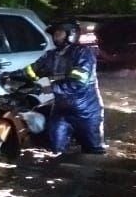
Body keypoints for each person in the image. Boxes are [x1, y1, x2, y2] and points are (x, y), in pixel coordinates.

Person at [21, 20, 106, 154]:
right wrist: (12, 76)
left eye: (59, 33)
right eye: (54, 34)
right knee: (56, 152)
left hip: (86, 112)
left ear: (71, 34)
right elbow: (32, 71)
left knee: (93, 152)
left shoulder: (84, 53)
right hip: (61, 110)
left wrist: (49, 88)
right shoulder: (51, 55)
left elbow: (77, 83)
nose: (55, 36)